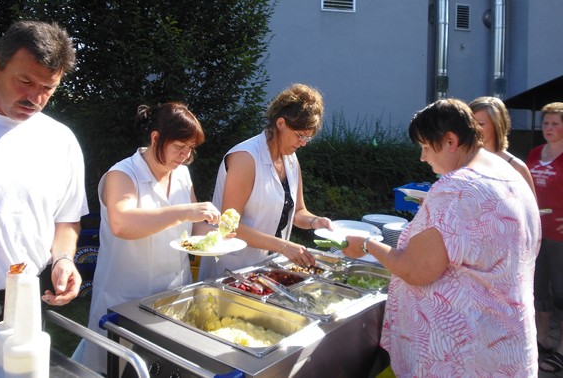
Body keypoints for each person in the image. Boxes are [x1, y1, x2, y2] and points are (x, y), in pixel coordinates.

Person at [342, 98, 540, 376]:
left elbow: (415, 269)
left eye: (425, 147)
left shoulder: (457, 188)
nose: (422, 158)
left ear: (450, 141)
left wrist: (366, 244)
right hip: (507, 346)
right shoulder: (509, 173)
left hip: (462, 358)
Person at [0, 20, 89, 363]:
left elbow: (66, 220)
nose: (35, 98)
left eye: (48, 87)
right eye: (25, 82)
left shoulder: (60, 140)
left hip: (26, 304)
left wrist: (64, 259)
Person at [77, 102, 221, 374]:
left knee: (163, 368)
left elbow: (196, 227)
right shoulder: (122, 174)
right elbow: (122, 224)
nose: (185, 156)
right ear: (156, 138)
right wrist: (185, 211)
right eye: (179, 147)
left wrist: (219, 234)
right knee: (117, 369)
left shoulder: (181, 174)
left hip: (173, 292)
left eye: (191, 149)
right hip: (126, 297)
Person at [198, 83, 332, 280]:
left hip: (266, 269)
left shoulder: (291, 160)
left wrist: (315, 221)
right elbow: (229, 225)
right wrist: (283, 246)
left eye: (308, 138)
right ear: (281, 123)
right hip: (230, 270)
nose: (303, 143)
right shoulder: (245, 158)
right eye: (300, 135)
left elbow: (297, 212)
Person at [525, 102, 563, 373]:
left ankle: (562, 350)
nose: (549, 128)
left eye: (555, 124)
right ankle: (543, 339)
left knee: (562, 290)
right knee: (538, 288)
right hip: (535, 233)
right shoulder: (535, 153)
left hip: (560, 237)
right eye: (546, 123)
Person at [469, 96, 536, 196]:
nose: (474, 128)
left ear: (497, 126)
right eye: (470, 123)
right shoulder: (460, 160)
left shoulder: (516, 167)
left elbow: (530, 205)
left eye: (480, 124)